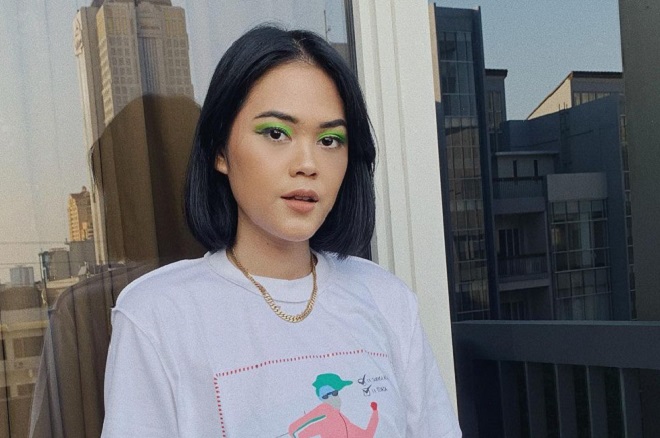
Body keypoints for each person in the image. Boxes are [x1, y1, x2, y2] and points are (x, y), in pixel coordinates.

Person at [101, 25, 462, 437]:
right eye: (276, 133)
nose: (307, 164)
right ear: (220, 150)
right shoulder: (158, 315)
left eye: (330, 140)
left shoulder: (387, 300)